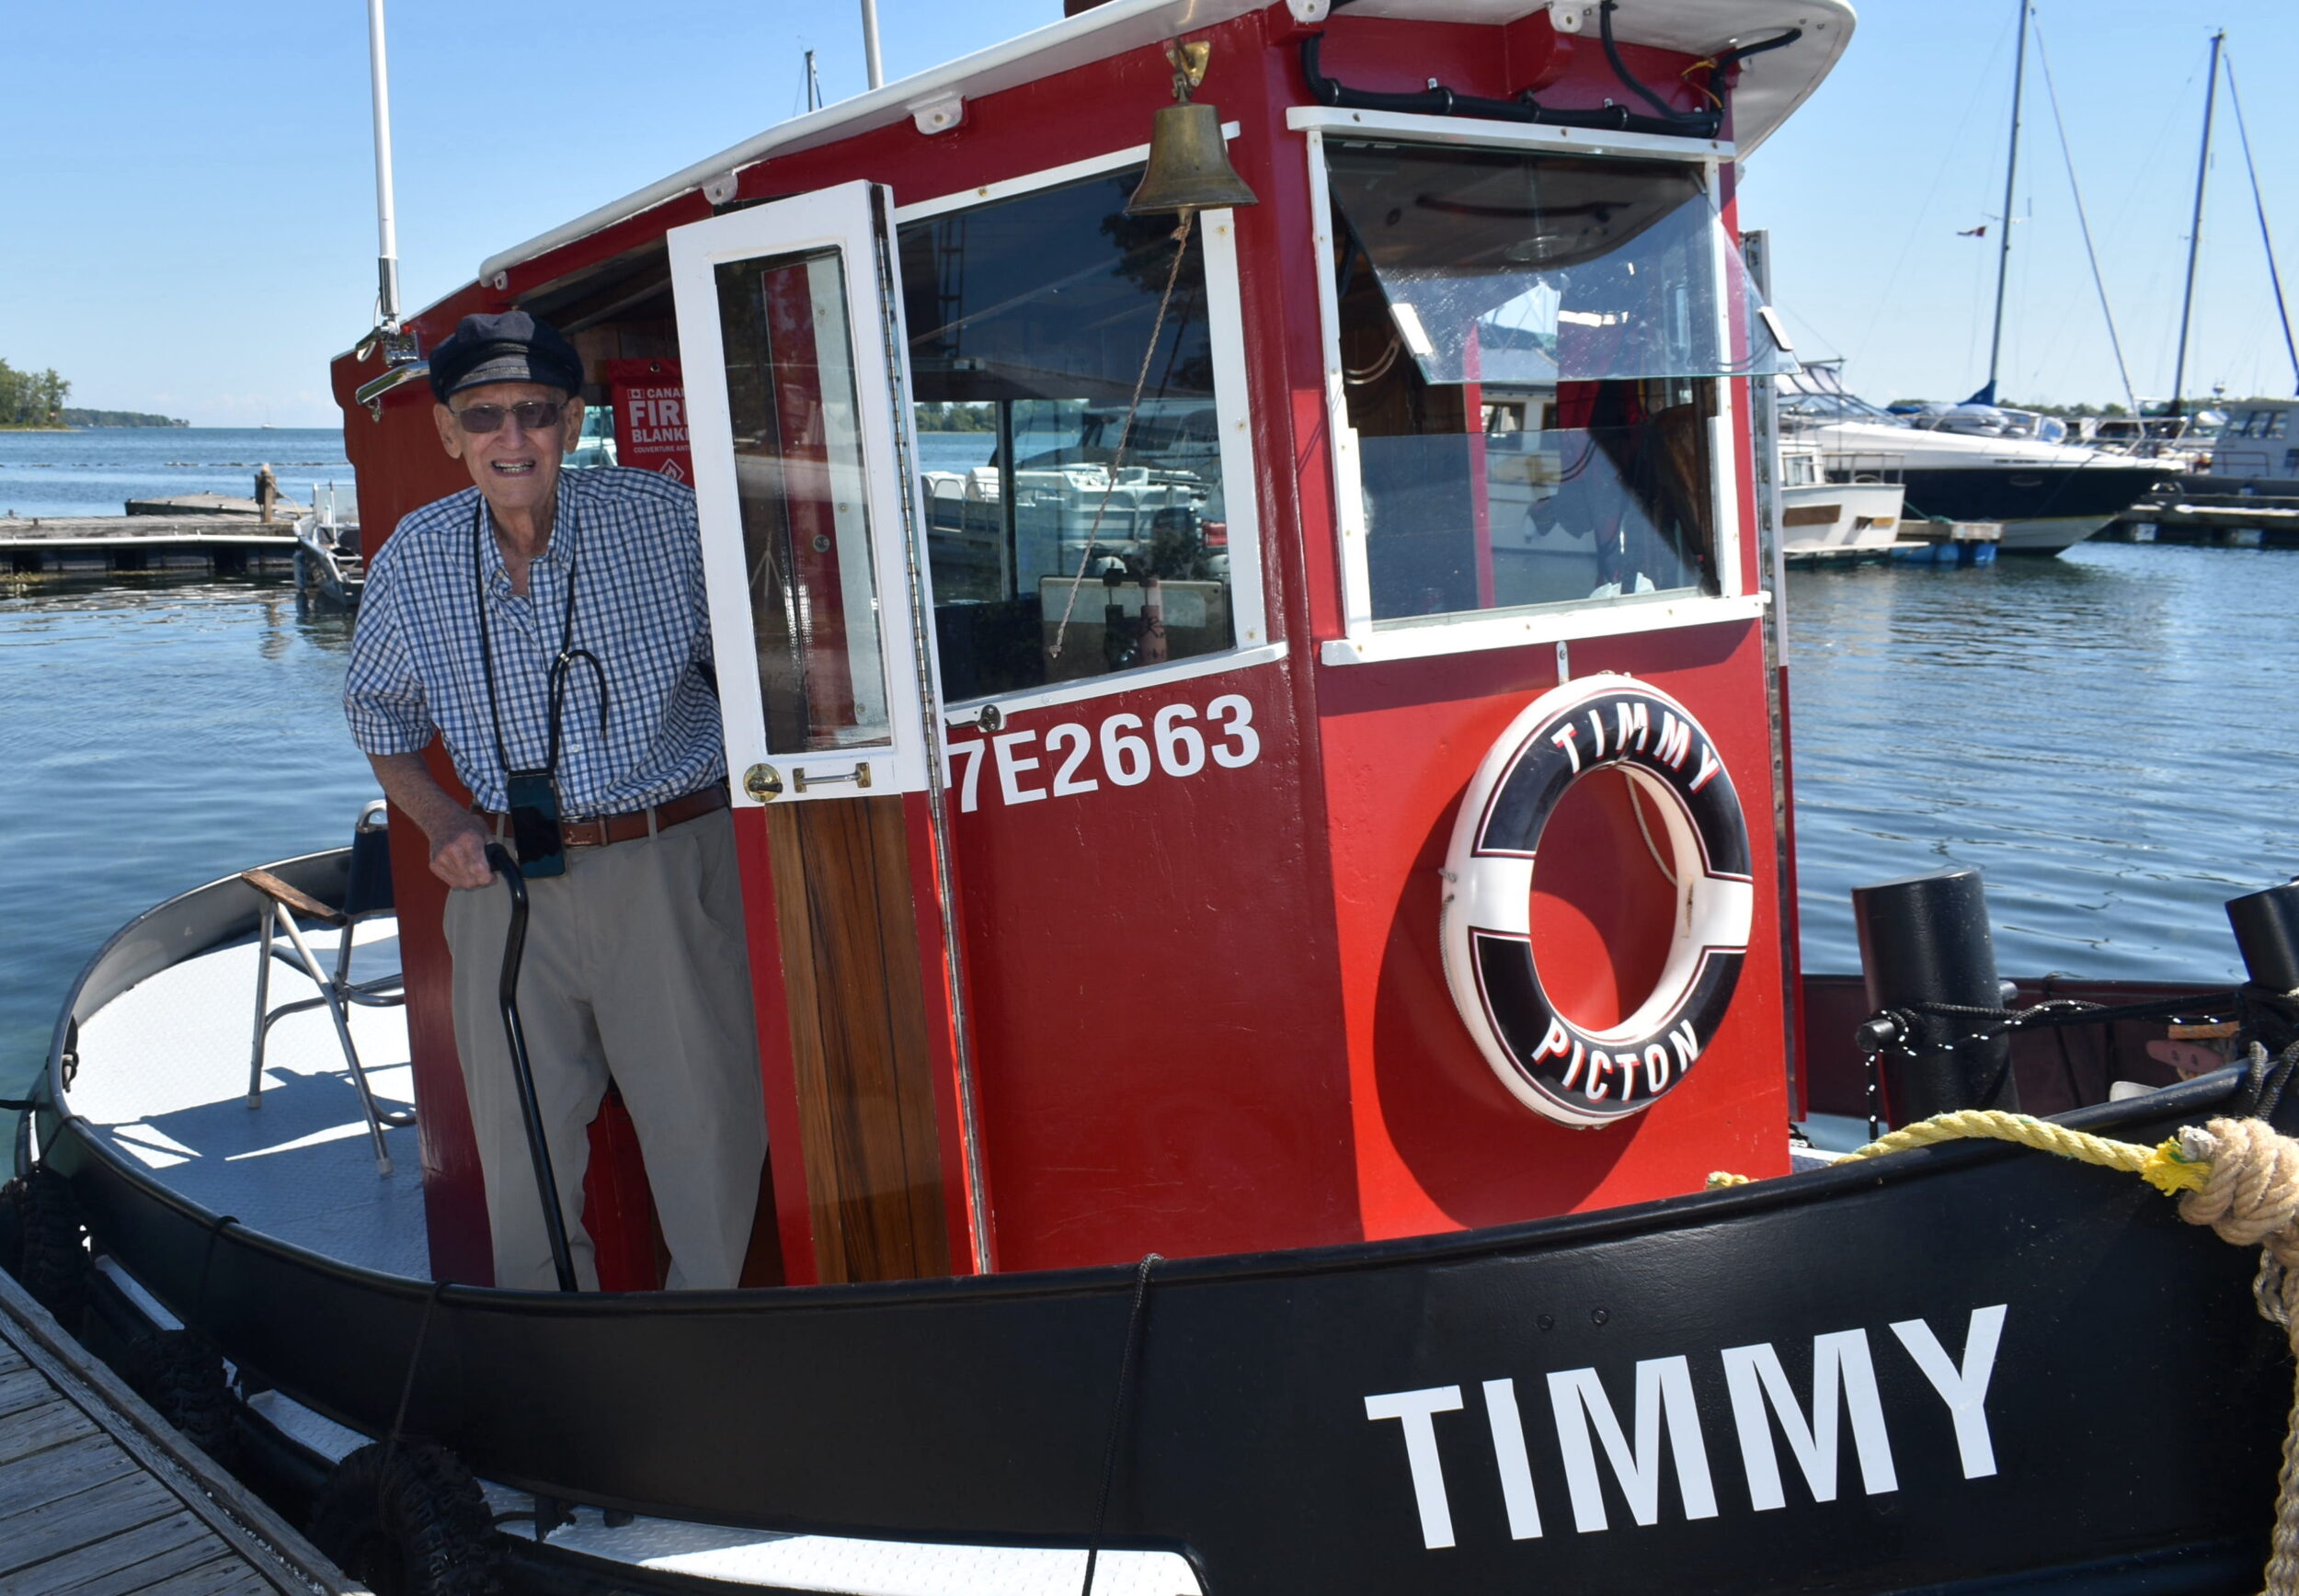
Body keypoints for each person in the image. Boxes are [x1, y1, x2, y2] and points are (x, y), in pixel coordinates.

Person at [343, 311, 764, 1292]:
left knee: (706, 1132)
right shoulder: (415, 554)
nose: (511, 437)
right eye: (483, 415)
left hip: (666, 863)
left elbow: (769, 677)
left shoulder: (665, 524)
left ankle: (708, 1360)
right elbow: (378, 711)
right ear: (448, 431)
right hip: (502, 882)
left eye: (534, 411)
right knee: (522, 1146)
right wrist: (443, 820)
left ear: (571, 422)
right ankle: (557, 1369)